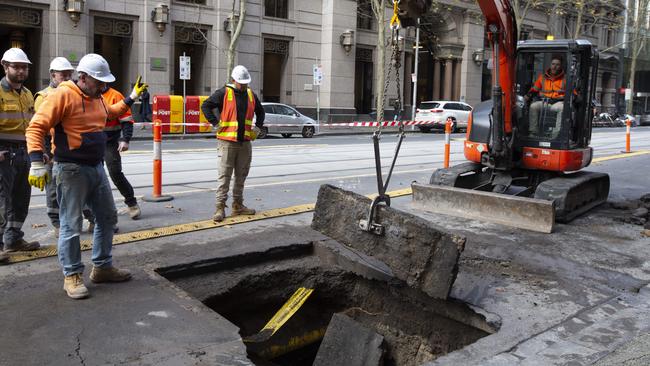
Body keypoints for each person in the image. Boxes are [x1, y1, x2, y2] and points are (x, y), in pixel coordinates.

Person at [26, 53, 147, 299]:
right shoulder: (63, 94)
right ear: (83, 77)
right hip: (70, 170)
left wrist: (131, 98)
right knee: (71, 225)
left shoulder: (97, 96)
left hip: (95, 167)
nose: (103, 87)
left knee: (106, 218)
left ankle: (101, 267)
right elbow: (36, 127)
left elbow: (110, 113)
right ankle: (71, 275)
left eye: (104, 83)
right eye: (99, 82)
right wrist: (36, 161)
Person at [201, 65, 265, 222]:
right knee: (225, 177)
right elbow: (206, 106)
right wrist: (215, 123)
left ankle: (237, 205)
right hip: (227, 142)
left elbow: (260, 112)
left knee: (241, 176)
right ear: (233, 80)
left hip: (245, 143)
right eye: (241, 83)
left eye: (245, 83)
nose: (243, 85)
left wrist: (257, 128)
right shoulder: (224, 92)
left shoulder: (251, 94)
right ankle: (219, 208)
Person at [0, 48, 41, 265]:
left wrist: (39, 151)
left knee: (21, 199)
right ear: (5, 66)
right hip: (4, 154)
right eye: (17, 67)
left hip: (24, 152)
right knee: (2, 201)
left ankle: (13, 239)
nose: (21, 71)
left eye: (24, 67)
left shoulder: (26, 94)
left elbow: (34, 125)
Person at [34, 57, 75, 236]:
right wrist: (43, 152)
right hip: (51, 150)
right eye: (62, 75)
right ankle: (58, 224)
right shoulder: (43, 96)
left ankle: (88, 217)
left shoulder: (74, 93)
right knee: (53, 190)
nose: (66, 78)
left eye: (69, 75)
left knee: (77, 187)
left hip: (72, 148)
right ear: (53, 75)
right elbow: (38, 128)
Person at [101, 85, 141, 220]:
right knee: (92, 178)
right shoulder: (85, 94)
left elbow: (126, 120)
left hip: (110, 142)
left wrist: (125, 139)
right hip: (91, 143)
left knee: (115, 173)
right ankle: (95, 215)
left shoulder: (115, 95)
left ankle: (132, 203)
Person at [525, 56, 566, 135]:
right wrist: (527, 96)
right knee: (533, 106)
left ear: (561, 66)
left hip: (558, 102)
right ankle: (533, 132)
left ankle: (556, 134)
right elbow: (534, 89)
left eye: (557, 65)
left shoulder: (565, 78)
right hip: (545, 102)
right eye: (553, 64)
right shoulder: (542, 77)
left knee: (562, 108)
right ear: (550, 65)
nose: (554, 67)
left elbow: (572, 92)